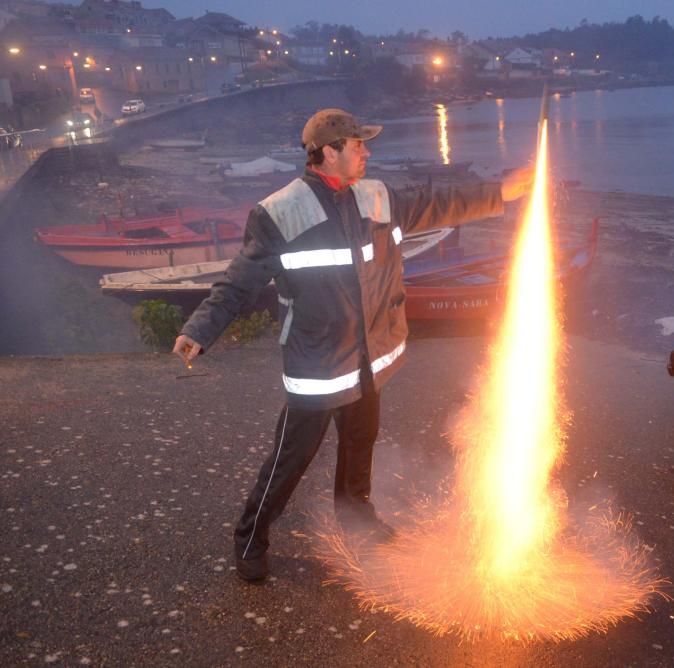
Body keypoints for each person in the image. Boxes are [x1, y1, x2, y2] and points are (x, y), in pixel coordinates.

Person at [173, 108, 532, 582]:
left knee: (359, 446)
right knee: (291, 457)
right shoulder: (278, 213)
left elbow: (439, 203)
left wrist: (500, 193)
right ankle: (250, 538)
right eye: (358, 144)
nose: (367, 151)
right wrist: (199, 330)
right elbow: (238, 283)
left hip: (368, 357)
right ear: (329, 151)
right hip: (318, 365)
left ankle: (356, 518)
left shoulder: (377, 196)